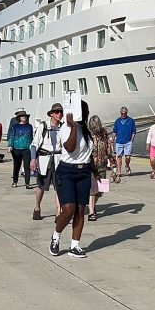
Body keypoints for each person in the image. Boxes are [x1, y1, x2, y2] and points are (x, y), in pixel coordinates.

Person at [49, 100, 93, 258]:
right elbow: (70, 147)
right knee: (68, 210)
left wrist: (95, 171)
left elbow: (87, 153)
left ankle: (75, 245)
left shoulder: (86, 129)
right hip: (67, 171)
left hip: (84, 172)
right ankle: (56, 235)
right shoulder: (66, 128)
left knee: (81, 210)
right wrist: (73, 126)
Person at [30, 104, 63, 221]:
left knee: (59, 187)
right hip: (44, 160)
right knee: (41, 187)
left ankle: (58, 213)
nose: (60, 114)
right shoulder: (43, 126)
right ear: (52, 114)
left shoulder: (63, 127)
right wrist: (33, 159)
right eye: (57, 112)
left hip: (58, 160)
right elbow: (34, 144)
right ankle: (37, 207)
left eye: (61, 112)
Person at [86, 115, 114, 221]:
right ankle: (91, 212)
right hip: (91, 165)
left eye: (97, 127)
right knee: (93, 189)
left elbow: (108, 147)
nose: (96, 130)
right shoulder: (87, 134)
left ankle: (91, 205)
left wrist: (112, 162)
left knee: (101, 190)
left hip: (102, 164)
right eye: (94, 128)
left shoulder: (104, 133)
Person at [7, 108, 33, 187]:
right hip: (17, 148)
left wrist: (33, 146)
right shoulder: (15, 126)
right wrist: (10, 146)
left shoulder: (29, 126)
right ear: (19, 118)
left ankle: (27, 183)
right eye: (22, 116)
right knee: (16, 166)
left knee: (27, 166)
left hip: (27, 149)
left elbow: (31, 137)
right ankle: (15, 181)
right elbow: (12, 136)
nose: (24, 117)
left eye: (25, 116)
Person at [113, 106, 136, 178]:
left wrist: (132, 140)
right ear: (120, 113)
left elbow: (134, 131)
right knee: (119, 157)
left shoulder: (131, 120)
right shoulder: (117, 121)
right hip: (119, 142)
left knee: (128, 157)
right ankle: (119, 172)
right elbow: (114, 132)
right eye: (122, 113)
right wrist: (112, 140)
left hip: (128, 142)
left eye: (125, 113)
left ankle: (127, 165)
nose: (123, 115)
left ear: (127, 113)